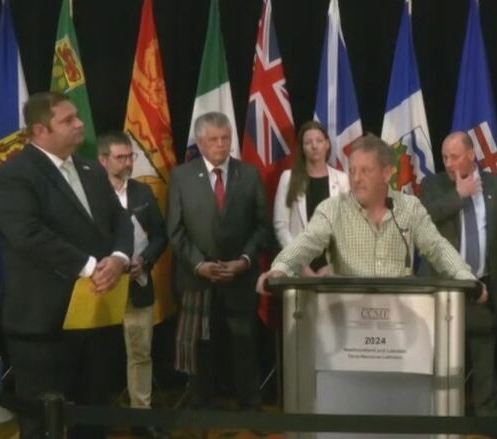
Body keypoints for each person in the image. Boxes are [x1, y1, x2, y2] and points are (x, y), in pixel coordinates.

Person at [0, 92, 133, 439]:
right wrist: (91, 266)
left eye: (78, 117)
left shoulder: (89, 168)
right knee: (44, 425)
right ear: (40, 131)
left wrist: (118, 259)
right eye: (69, 120)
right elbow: (25, 234)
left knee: (92, 418)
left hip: (94, 318)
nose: (80, 124)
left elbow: (121, 221)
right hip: (42, 325)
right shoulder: (14, 174)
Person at [257, 133, 482, 294]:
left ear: (387, 173)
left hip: (398, 322)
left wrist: (467, 279)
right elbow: (305, 243)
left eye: (365, 171)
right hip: (346, 324)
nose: (356, 178)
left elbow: (437, 248)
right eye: (352, 170)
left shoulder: (410, 207)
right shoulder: (333, 209)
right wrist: (280, 268)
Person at [167, 111, 273, 410]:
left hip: (239, 278)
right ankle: (201, 410)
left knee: (245, 347)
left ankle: (251, 410)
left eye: (225, 138)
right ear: (200, 143)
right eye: (213, 139)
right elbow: (175, 231)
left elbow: (262, 226)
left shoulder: (249, 174)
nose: (221, 145)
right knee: (199, 350)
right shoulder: (181, 176)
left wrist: (244, 260)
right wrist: (199, 265)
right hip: (197, 281)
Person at [418, 131, 497, 418]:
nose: (449, 163)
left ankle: (487, 416)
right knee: (443, 357)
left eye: (454, 156)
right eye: (444, 157)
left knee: (484, 358)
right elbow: (422, 220)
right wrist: (458, 196)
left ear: (471, 155)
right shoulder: (433, 185)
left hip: (483, 289)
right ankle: (444, 415)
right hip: (444, 288)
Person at [97, 131, 168, 438]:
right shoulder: (90, 194)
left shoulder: (142, 192)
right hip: (98, 289)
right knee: (94, 357)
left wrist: (147, 260)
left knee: (140, 353)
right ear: (102, 160)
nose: (128, 162)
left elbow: (161, 235)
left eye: (131, 156)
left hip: (137, 285)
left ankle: (141, 419)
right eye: (121, 157)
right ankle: (93, 417)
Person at [273, 121, 349, 276]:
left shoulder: (342, 180)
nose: (314, 146)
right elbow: (281, 226)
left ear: (327, 144)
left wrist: (332, 267)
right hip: (297, 268)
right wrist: (299, 265)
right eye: (308, 142)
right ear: (302, 148)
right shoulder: (288, 178)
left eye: (319, 141)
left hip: (331, 269)